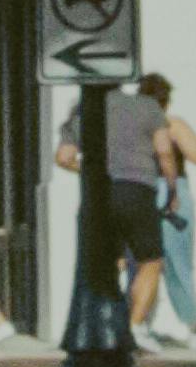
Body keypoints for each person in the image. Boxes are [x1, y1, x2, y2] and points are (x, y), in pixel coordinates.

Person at [51, 74, 167, 337]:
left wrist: (90, 171)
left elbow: (63, 157)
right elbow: (164, 151)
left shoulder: (81, 112)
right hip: (138, 189)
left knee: (107, 261)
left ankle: (105, 326)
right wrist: (171, 186)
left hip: (99, 195)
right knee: (150, 260)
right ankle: (134, 326)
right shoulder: (147, 106)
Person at [142, 73, 196, 340]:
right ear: (166, 100)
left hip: (141, 190)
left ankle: (139, 321)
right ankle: (190, 323)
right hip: (173, 190)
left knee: (143, 261)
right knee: (178, 261)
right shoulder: (173, 124)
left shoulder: (134, 126)